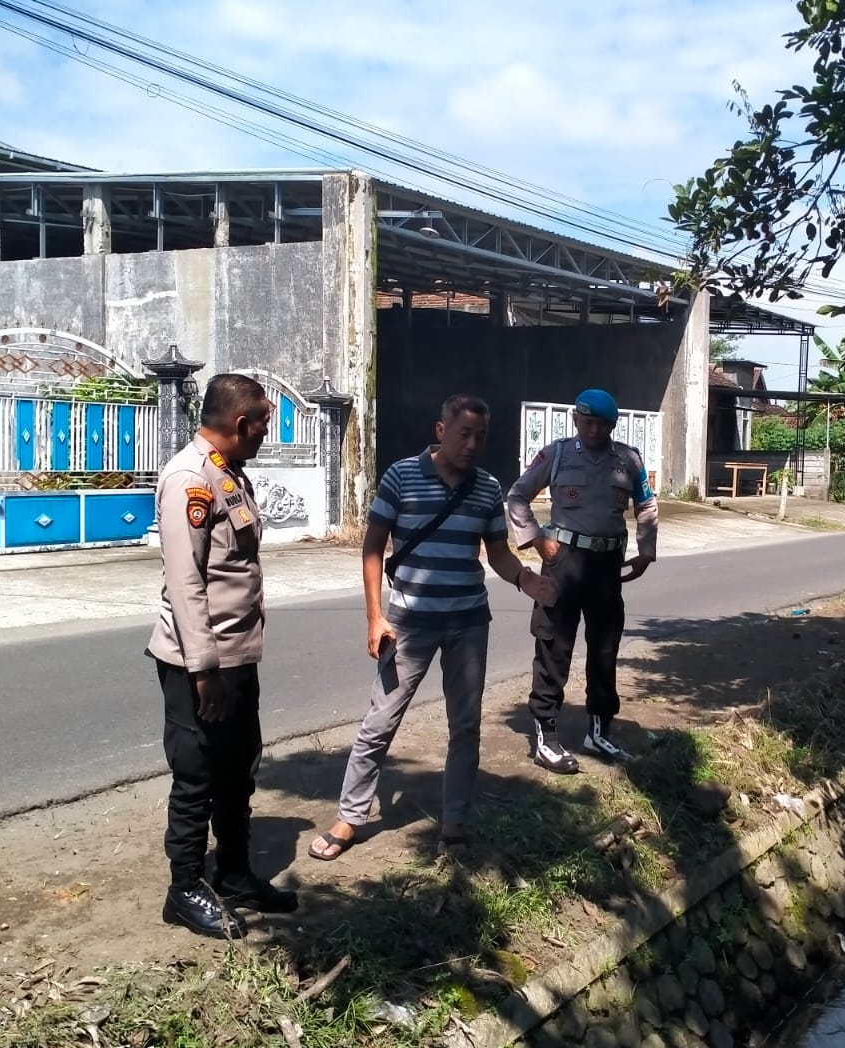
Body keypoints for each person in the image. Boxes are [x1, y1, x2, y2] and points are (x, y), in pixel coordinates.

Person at [308, 394, 555, 861]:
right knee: (380, 722)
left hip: (467, 623)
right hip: (408, 624)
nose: (473, 444)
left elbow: (497, 552)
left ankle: (454, 821)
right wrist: (374, 616)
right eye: (464, 434)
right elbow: (373, 549)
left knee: (465, 726)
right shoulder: (400, 476)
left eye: (481, 436)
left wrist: (525, 579)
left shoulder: (486, 487)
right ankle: (349, 817)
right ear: (441, 431)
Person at [146, 372, 299, 939]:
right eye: (263, 421)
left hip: (237, 656)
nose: (266, 432)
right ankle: (184, 889)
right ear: (240, 424)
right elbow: (186, 584)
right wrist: (203, 668)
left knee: (238, 769)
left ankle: (234, 873)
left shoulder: (229, 474)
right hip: (199, 663)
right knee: (197, 773)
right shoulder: (189, 478)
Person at [507, 388, 658, 774]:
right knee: (554, 648)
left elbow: (646, 504)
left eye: (601, 423)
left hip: (607, 564)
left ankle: (599, 731)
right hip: (564, 562)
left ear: (613, 424)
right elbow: (518, 496)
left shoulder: (628, 460)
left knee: (605, 649)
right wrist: (537, 540)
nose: (593, 429)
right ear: (575, 419)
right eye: (586, 421)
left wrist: (645, 551)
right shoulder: (556, 455)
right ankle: (546, 739)